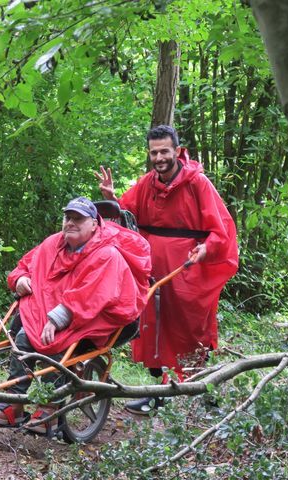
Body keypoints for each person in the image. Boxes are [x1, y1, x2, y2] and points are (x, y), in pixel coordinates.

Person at [96, 125, 238, 414]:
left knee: (189, 329)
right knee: (154, 326)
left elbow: (220, 229)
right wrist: (111, 198)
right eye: (154, 152)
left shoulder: (198, 183)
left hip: (188, 268)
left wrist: (205, 249)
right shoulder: (148, 182)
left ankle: (203, 392)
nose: (159, 157)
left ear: (177, 150)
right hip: (153, 267)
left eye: (164, 151)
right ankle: (157, 395)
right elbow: (127, 214)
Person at [0, 197, 151, 432]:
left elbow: (91, 295)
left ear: (94, 224)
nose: (71, 223)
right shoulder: (53, 244)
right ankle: (14, 403)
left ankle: (50, 407)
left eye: (78, 219)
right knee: (22, 337)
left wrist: (56, 319)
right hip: (53, 311)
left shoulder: (107, 254)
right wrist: (20, 278)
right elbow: (25, 265)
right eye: (68, 217)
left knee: (57, 343)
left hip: (91, 318)